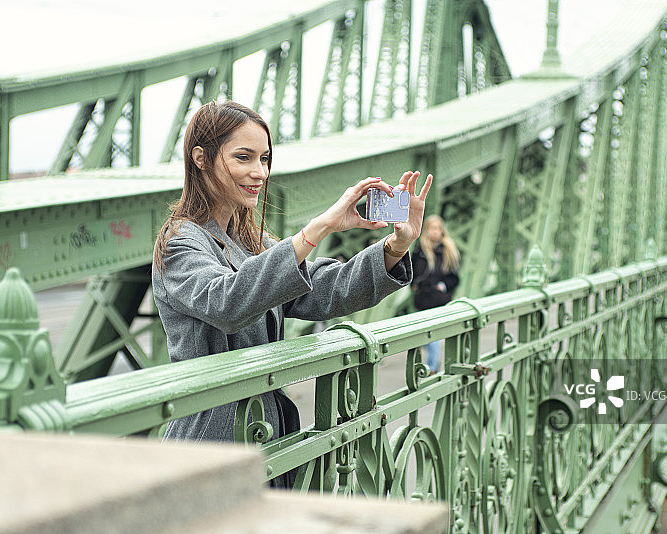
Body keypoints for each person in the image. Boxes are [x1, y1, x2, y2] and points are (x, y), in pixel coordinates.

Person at [151, 100, 432, 487]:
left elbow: (324, 291)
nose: (259, 172)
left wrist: (396, 247)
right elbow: (226, 303)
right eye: (243, 157)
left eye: (265, 159)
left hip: (267, 434)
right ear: (200, 158)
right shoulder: (180, 242)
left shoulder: (252, 242)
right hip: (213, 443)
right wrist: (316, 230)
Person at [411, 215, 460, 374]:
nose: (435, 232)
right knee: (424, 334)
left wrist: (442, 286)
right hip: (423, 299)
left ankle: (432, 368)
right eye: (432, 228)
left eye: (438, 228)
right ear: (426, 230)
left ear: (442, 230)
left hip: (439, 300)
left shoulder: (448, 250)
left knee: (434, 334)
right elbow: (411, 271)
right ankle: (432, 363)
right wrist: (414, 285)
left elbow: (454, 277)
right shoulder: (420, 250)